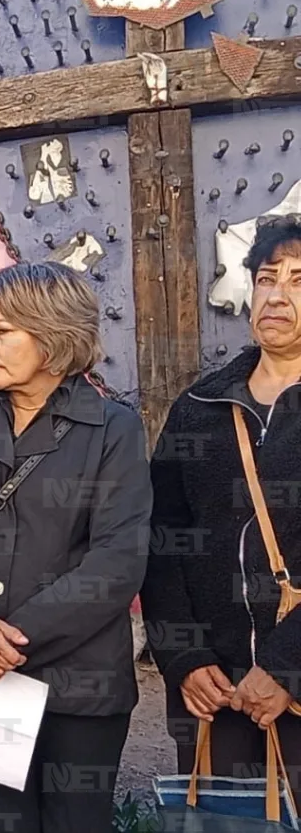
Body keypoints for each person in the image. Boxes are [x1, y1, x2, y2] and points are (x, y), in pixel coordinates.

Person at [0, 261, 152, 833]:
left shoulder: (113, 429)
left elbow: (118, 559)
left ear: (51, 337)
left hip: (80, 682)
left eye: (3, 331)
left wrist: (13, 635)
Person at [144, 218, 301, 792]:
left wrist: (285, 666)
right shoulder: (200, 407)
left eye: (299, 281)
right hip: (217, 690)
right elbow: (161, 539)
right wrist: (184, 658)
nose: (278, 295)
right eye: (266, 278)